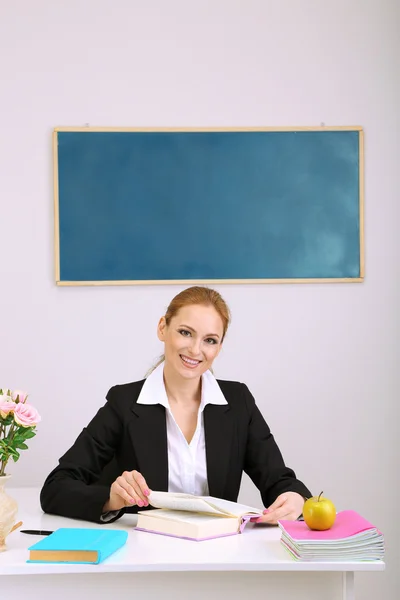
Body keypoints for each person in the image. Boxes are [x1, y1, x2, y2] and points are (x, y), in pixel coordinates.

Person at [40, 286, 311, 524]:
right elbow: (56, 488)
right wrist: (111, 499)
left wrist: (295, 498)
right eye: (185, 332)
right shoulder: (124, 403)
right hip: (142, 556)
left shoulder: (238, 402)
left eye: (210, 340)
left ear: (219, 346)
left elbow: (279, 479)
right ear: (162, 328)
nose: (195, 350)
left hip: (219, 554)